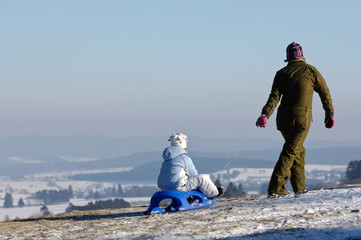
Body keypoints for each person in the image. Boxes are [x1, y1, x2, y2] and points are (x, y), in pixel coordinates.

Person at [256, 42, 334, 197]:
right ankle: (276, 188)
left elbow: (274, 97)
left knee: (297, 150)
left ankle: (299, 187)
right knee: (291, 151)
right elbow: (325, 94)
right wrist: (329, 114)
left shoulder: (281, 73)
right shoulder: (311, 70)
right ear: (302, 55)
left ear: (288, 58)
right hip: (301, 120)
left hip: (283, 120)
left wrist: (265, 115)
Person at [157, 133, 224, 198]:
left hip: (163, 188)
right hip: (177, 188)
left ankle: (188, 196)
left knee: (184, 179)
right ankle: (214, 193)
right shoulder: (184, 158)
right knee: (203, 178)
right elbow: (193, 174)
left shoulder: (167, 159)